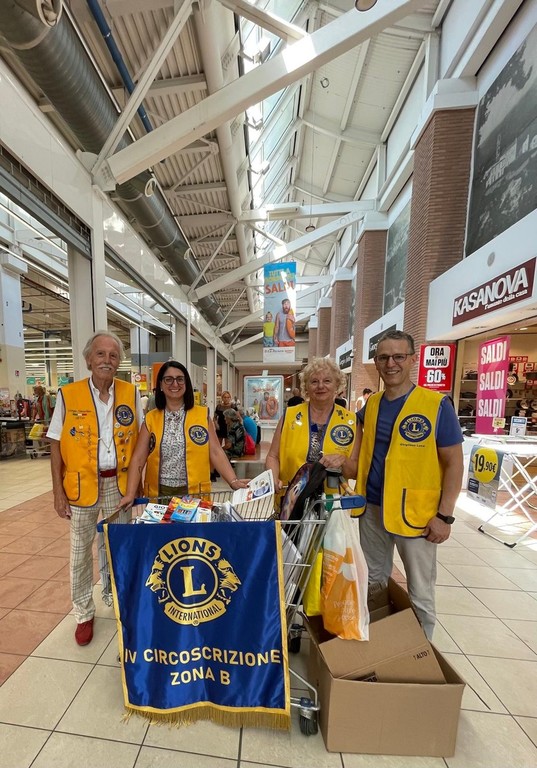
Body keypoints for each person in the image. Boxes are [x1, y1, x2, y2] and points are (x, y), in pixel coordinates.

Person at [349, 330, 463, 640]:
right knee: (373, 582)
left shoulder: (436, 405)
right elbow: (361, 455)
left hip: (417, 515)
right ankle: (378, 644)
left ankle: (422, 653)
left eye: (399, 356)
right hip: (373, 508)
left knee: (420, 591)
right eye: (384, 357)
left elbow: (454, 463)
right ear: (376, 362)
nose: (391, 364)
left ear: (412, 359)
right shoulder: (370, 406)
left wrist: (445, 516)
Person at [47, 331, 144, 647]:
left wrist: (138, 484)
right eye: (100, 354)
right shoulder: (68, 394)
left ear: (119, 362)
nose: (107, 360)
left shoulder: (131, 393)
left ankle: (114, 598)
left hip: (120, 483)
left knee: (116, 547)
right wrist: (57, 491)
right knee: (80, 552)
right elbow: (55, 443)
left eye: (113, 355)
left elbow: (141, 441)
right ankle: (83, 613)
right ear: (89, 359)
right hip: (80, 485)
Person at [118, 362, 248, 507]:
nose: (175, 384)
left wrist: (233, 481)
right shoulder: (151, 418)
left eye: (180, 379)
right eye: (168, 379)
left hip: (194, 493)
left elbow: (216, 451)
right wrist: (130, 493)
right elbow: (138, 458)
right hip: (160, 493)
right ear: (160, 384)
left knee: (194, 524)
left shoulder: (202, 415)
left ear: (186, 384)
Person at [266, 357, 357, 493]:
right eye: (314, 381)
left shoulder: (351, 421)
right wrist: (272, 477)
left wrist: (343, 461)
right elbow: (272, 456)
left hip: (332, 502)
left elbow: (354, 472)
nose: (320, 386)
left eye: (327, 381)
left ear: (337, 385)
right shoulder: (289, 416)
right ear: (306, 387)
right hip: (290, 500)